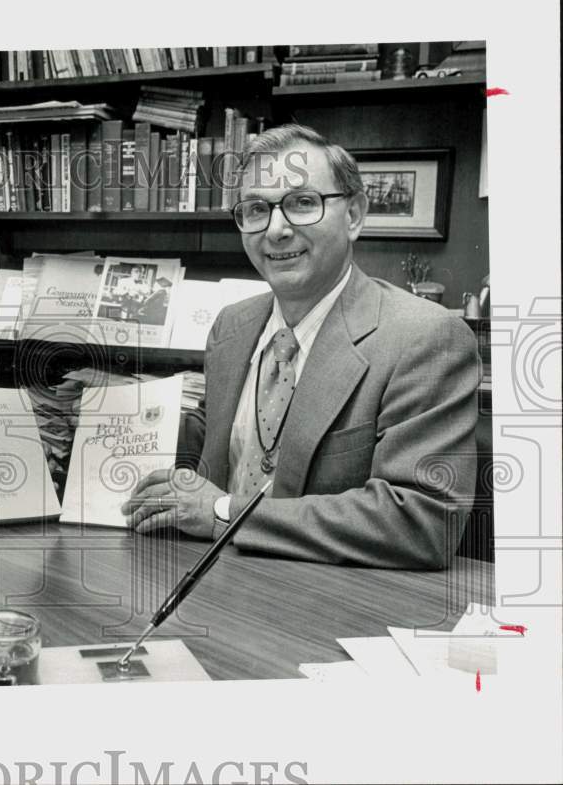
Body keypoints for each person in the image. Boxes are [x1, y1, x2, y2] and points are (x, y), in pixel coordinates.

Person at [124, 124, 479, 569]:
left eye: (302, 203)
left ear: (353, 216)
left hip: (327, 603)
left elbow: (424, 522)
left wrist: (221, 513)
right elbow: (213, 456)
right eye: (256, 209)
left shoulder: (426, 338)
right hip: (208, 583)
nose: (276, 230)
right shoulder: (232, 326)